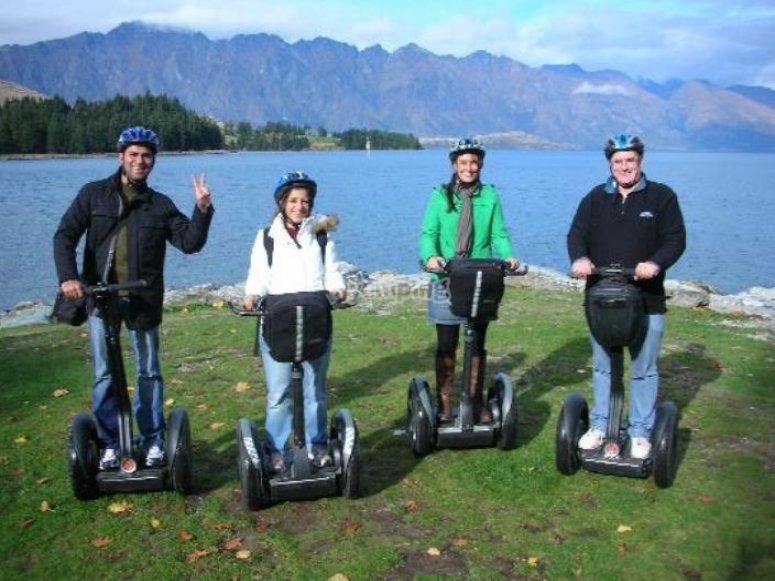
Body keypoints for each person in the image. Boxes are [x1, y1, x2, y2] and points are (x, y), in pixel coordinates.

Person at [53, 125, 214, 470]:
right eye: (134, 155)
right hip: (101, 299)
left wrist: (201, 209)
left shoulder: (159, 205)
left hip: (143, 299)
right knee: (104, 374)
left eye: (146, 156)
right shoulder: (93, 195)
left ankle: (154, 440)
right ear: (121, 157)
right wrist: (69, 277)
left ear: (152, 161)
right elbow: (65, 235)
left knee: (149, 372)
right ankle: (111, 443)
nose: (140, 161)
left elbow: (190, 243)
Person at [567, 132, 686, 459]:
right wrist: (579, 259)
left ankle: (639, 431)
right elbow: (576, 234)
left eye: (630, 160)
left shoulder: (661, 197)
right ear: (610, 164)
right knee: (603, 365)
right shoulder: (594, 198)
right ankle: (602, 425)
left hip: (646, 298)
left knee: (644, 367)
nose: (624, 166)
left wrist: (655, 263)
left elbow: (675, 240)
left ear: (640, 162)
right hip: (601, 299)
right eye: (618, 161)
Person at [243, 171, 346, 473]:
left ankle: (317, 445)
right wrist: (251, 295)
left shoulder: (321, 236)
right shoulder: (266, 238)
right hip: (279, 323)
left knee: (315, 390)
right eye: (293, 201)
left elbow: (332, 272)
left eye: (305, 201)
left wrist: (337, 288)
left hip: (314, 321)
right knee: (279, 393)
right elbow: (259, 276)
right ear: (282, 203)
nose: (299, 206)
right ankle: (276, 449)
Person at [418, 138, 519, 424]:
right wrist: (430, 257)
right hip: (446, 277)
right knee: (447, 343)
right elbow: (428, 233)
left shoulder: (490, 196)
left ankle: (474, 401)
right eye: (463, 162)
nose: (469, 167)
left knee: (476, 341)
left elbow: (499, 234)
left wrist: (508, 256)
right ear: (454, 165)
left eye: (474, 162)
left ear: (480, 165)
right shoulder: (440, 195)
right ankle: (445, 402)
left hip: (480, 276)